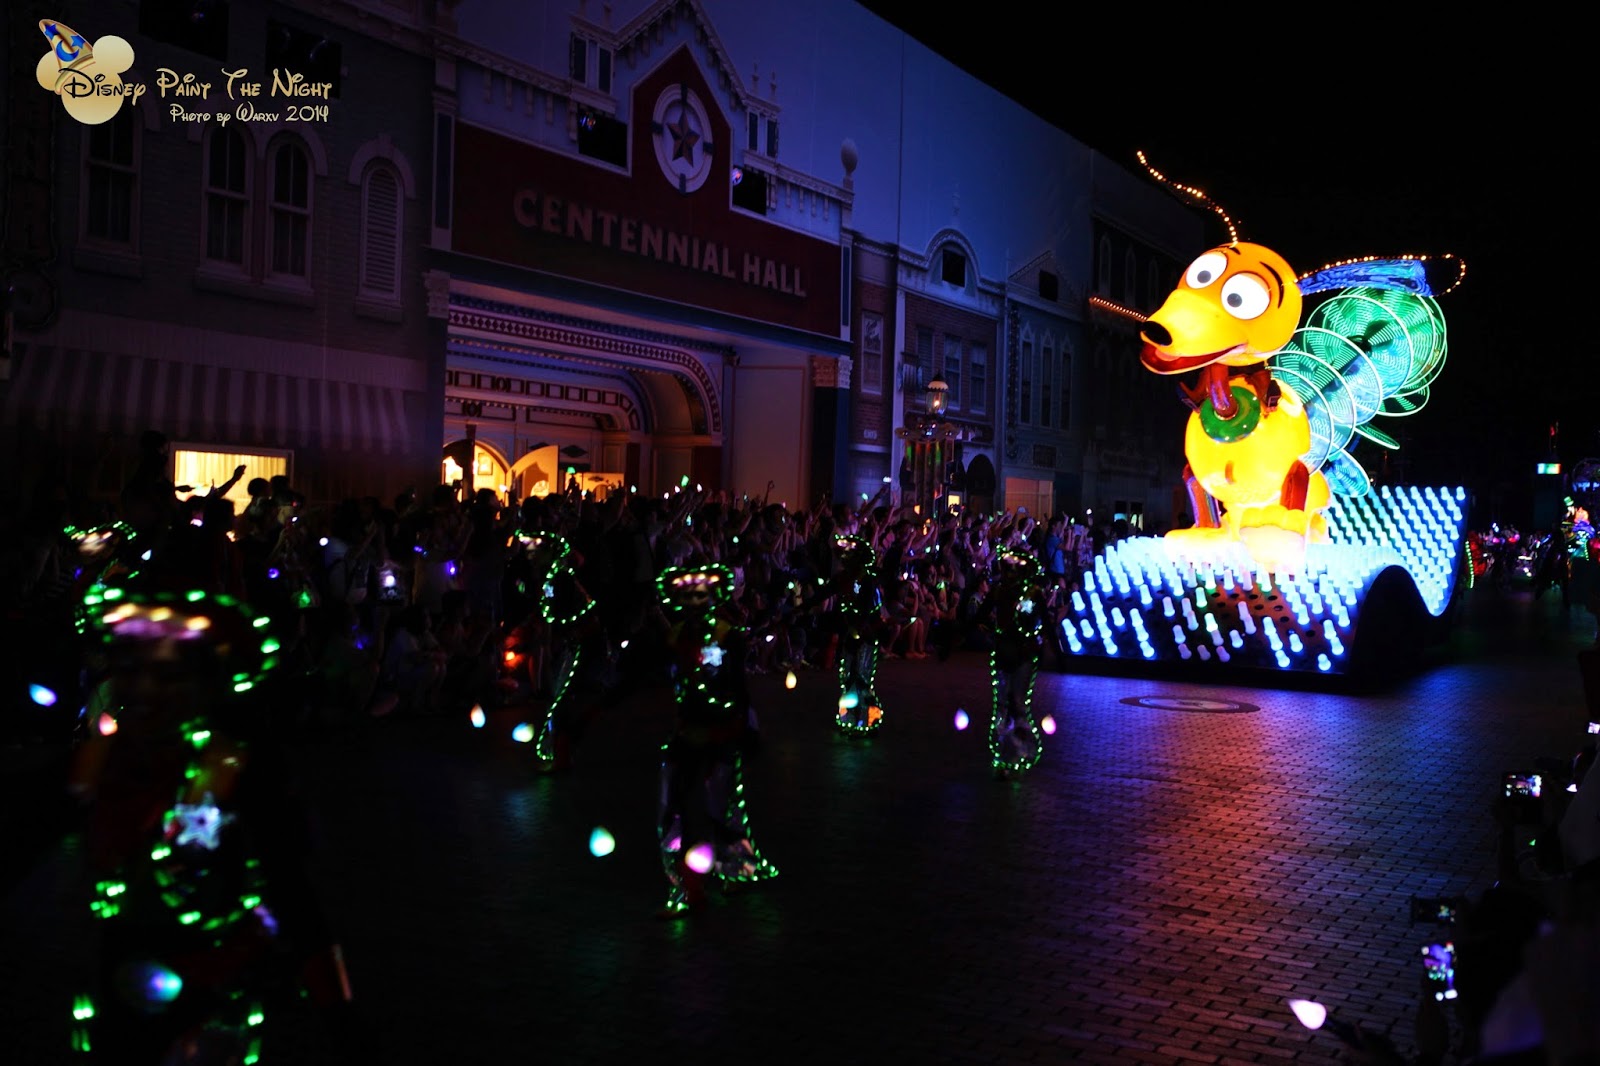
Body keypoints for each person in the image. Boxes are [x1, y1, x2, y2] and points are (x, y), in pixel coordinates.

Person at [654, 563, 777, 917]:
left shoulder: (727, 635)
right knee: (672, 807)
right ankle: (684, 886)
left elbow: (737, 685)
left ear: (713, 598)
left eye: (701, 595)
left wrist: (745, 726)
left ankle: (736, 869)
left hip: (721, 730)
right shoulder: (674, 636)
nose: (695, 602)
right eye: (688, 596)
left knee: (721, 805)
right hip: (685, 732)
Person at [988, 548, 1050, 779]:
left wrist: (1052, 650)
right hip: (1004, 652)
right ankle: (1005, 754)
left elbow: (1043, 622)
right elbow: (983, 614)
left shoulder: (1032, 593)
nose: (1010, 573)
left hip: (1023, 653)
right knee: (1003, 704)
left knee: (1017, 702)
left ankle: (1017, 752)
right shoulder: (999, 591)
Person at [829, 534, 888, 735]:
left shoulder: (869, 582)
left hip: (865, 637)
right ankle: (849, 719)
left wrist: (860, 626)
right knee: (847, 677)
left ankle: (868, 720)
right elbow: (827, 592)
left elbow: (869, 612)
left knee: (861, 677)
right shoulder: (845, 579)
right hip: (851, 635)